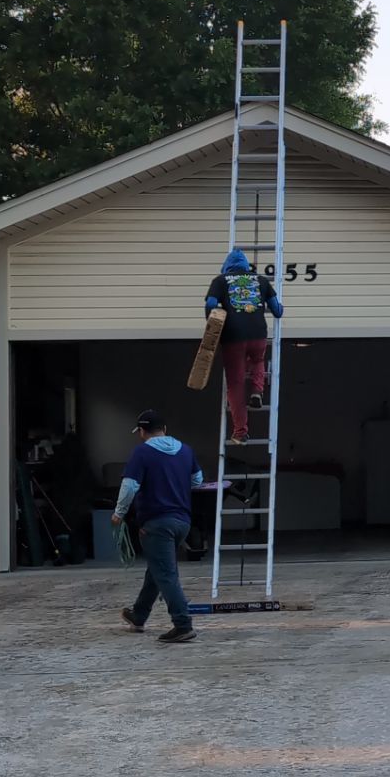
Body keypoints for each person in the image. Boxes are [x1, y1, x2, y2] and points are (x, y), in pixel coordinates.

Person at [112, 409, 204, 644]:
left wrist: (118, 513)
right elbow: (198, 480)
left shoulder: (141, 453)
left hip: (156, 522)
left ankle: (183, 624)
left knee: (166, 573)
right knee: (157, 569)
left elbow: (130, 486)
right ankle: (139, 615)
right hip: (182, 521)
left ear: (142, 431)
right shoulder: (186, 450)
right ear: (165, 429)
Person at [205, 247, 283, 444]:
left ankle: (240, 432)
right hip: (258, 333)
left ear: (227, 267)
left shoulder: (220, 281)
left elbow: (210, 304)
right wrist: (280, 308)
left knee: (236, 382)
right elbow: (277, 310)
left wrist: (213, 320)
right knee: (258, 360)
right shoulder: (262, 281)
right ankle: (257, 392)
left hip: (233, 337)